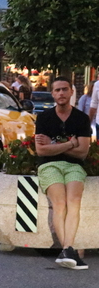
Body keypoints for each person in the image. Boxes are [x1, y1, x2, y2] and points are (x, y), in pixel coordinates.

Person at [34, 76, 91, 270]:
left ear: (71, 91)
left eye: (64, 89)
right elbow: (41, 151)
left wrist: (54, 145)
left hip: (74, 166)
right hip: (49, 166)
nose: (61, 93)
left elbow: (82, 152)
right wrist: (69, 144)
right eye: (57, 90)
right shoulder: (43, 118)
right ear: (52, 93)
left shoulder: (82, 119)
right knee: (59, 203)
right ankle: (69, 249)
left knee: (73, 201)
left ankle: (66, 251)